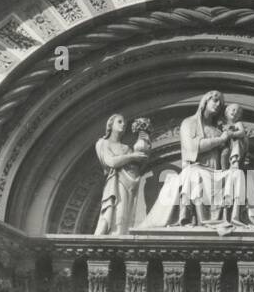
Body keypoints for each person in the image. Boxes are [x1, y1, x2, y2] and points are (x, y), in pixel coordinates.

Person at [138, 91, 230, 229]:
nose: (218, 105)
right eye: (215, 100)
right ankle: (195, 219)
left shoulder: (218, 130)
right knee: (194, 173)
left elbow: (225, 158)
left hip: (216, 172)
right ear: (205, 101)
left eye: (221, 103)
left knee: (236, 176)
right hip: (197, 168)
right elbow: (193, 146)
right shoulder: (189, 123)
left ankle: (228, 218)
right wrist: (221, 140)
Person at [94, 114, 150, 236]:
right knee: (117, 215)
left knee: (127, 216)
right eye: (119, 122)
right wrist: (132, 156)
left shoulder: (126, 148)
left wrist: (145, 142)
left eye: (124, 122)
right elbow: (111, 161)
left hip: (131, 184)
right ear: (110, 125)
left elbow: (138, 166)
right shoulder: (103, 143)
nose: (123, 124)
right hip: (116, 183)